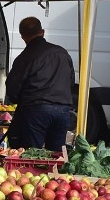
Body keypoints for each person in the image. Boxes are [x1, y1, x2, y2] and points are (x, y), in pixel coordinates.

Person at [5, 17, 76, 151]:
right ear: (42, 32)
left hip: (36, 110)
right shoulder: (62, 52)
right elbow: (70, 81)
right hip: (63, 109)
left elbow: (13, 89)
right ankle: (56, 171)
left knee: (33, 154)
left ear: (22, 36)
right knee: (56, 154)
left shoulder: (24, 57)